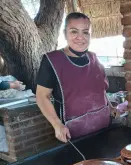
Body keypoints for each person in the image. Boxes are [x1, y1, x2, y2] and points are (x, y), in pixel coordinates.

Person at [36, 12, 118, 143]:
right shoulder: (52, 60)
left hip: (103, 125)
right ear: (65, 33)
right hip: (73, 131)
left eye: (85, 32)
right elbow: (41, 96)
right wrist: (57, 124)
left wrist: (110, 107)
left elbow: (101, 90)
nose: (80, 37)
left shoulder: (94, 58)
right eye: (74, 31)